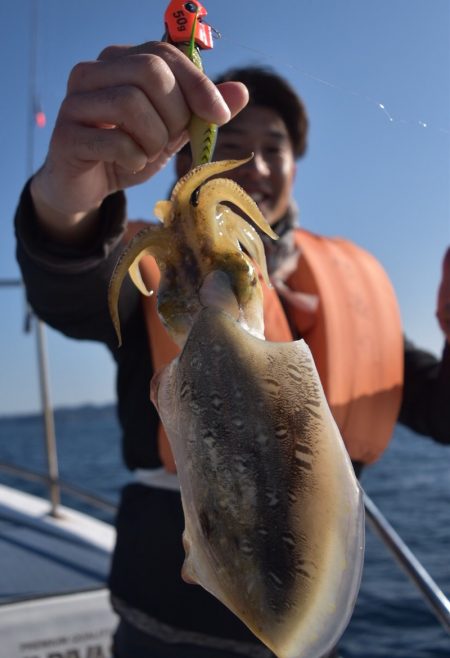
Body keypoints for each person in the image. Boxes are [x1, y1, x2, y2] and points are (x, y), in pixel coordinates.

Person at [14, 40, 450, 658]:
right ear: (189, 156)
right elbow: (69, 288)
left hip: (309, 614)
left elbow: (440, 408)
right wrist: (67, 204)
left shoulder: (350, 286)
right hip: (163, 624)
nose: (256, 163)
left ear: (296, 164)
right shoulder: (159, 275)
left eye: (275, 147)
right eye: (236, 142)